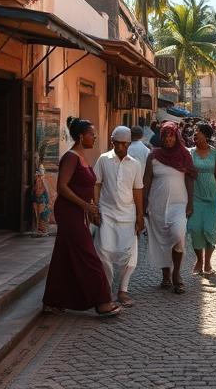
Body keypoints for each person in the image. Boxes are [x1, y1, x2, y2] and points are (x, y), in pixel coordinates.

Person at [42, 117, 121, 317]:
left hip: (79, 211)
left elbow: (85, 187)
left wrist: (90, 207)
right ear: (80, 136)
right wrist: (85, 205)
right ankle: (102, 301)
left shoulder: (83, 156)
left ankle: (53, 301)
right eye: (91, 134)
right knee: (89, 256)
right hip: (69, 213)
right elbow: (62, 187)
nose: (94, 137)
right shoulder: (71, 157)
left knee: (63, 257)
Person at [93, 126, 145, 307]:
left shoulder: (135, 164)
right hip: (106, 212)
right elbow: (97, 184)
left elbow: (138, 190)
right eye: (117, 143)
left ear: (129, 143)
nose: (120, 147)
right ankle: (106, 289)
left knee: (130, 253)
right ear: (111, 141)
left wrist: (140, 215)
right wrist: (95, 207)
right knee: (103, 250)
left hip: (128, 214)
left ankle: (123, 289)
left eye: (124, 143)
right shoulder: (103, 160)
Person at [144, 121, 196, 294]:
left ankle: (177, 274)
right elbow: (147, 181)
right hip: (157, 204)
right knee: (162, 241)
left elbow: (189, 178)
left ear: (177, 136)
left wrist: (190, 202)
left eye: (171, 135)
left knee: (178, 236)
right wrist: (143, 204)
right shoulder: (153, 156)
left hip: (179, 204)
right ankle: (166, 275)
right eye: (165, 135)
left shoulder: (185, 155)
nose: (168, 138)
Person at [187, 122, 216, 276]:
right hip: (195, 196)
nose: (194, 134)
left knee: (208, 230)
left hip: (212, 197)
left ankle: (208, 262)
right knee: (196, 229)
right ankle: (199, 260)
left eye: (197, 131)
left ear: (206, 134)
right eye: (194, 132)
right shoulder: (190, 153)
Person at [32, 152, 52, 237]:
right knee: (38, 211)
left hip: (42, 192)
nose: (36, 159)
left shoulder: (40, 167)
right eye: (35, 158)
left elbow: (42, 180)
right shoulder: (36, 170)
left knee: (44, 211)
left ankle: (43, 229)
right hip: (38, 192)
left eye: (37, 157)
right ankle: (39, 229)